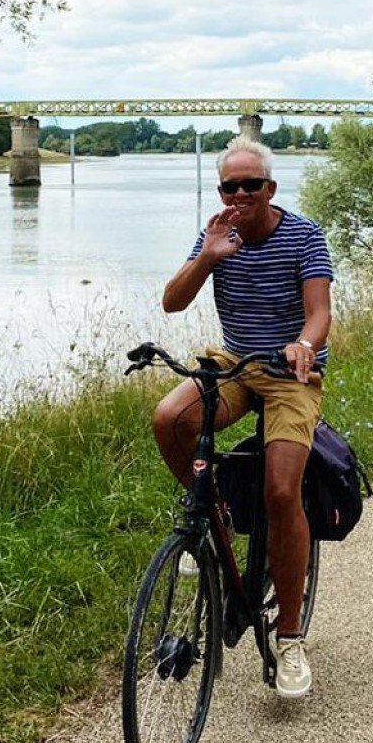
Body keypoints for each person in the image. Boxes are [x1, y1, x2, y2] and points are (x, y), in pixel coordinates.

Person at [153, 136, 333, 698]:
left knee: (282, 492)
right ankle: (219, 517)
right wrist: (208, 256)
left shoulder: (303, 235)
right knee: (169, 418)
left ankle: (289, 639)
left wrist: (304, 345)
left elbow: (320, 312)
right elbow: (172, 302)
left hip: (288, 374)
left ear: (269, 189)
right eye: (229, 185)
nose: (238, 194)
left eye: (249, 185)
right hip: (233, 364)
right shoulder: (216, 235)